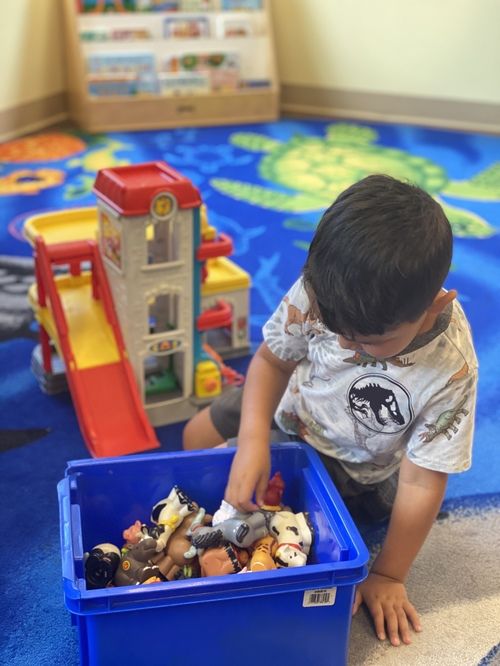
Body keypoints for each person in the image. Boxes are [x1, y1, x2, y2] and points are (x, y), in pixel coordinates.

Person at [183, 174, 478, 647]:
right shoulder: (324, 288)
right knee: (196, 439)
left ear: (434, 306)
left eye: (368, 342)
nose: (344, 345)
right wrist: (254, 440)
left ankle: (353, 497)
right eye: (334, 328)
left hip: (355, 462)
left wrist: (389, 574)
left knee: (313, 525)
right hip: (290, 400)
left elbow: (424, 480)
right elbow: (273, 361)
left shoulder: (451, 366)